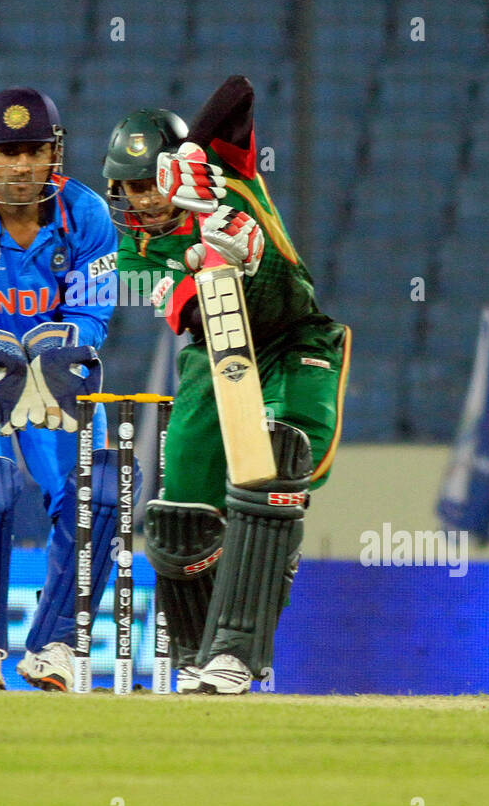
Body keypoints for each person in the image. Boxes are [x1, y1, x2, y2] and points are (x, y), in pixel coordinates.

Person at [103, 75, 351, 695]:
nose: (141, 199)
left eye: (148, 182)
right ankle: (197, 659)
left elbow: (238, 91)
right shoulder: (130, 255)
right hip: (216, 356)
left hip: (296, 345)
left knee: (273, 471)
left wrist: (198, 163)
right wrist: (217, 258)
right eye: (128, 187)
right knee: (180, 516)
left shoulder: (223, 167)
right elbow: (192, 313)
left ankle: (237, 656)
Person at [0, 87, 131, 693]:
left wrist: (51, 355)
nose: (21, 165)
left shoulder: (87, 215)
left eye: (34, 150)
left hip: (49, 367)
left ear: (54, 153)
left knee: (101, 490)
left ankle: (55, 645)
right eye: (8, 151)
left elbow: (93, 318)